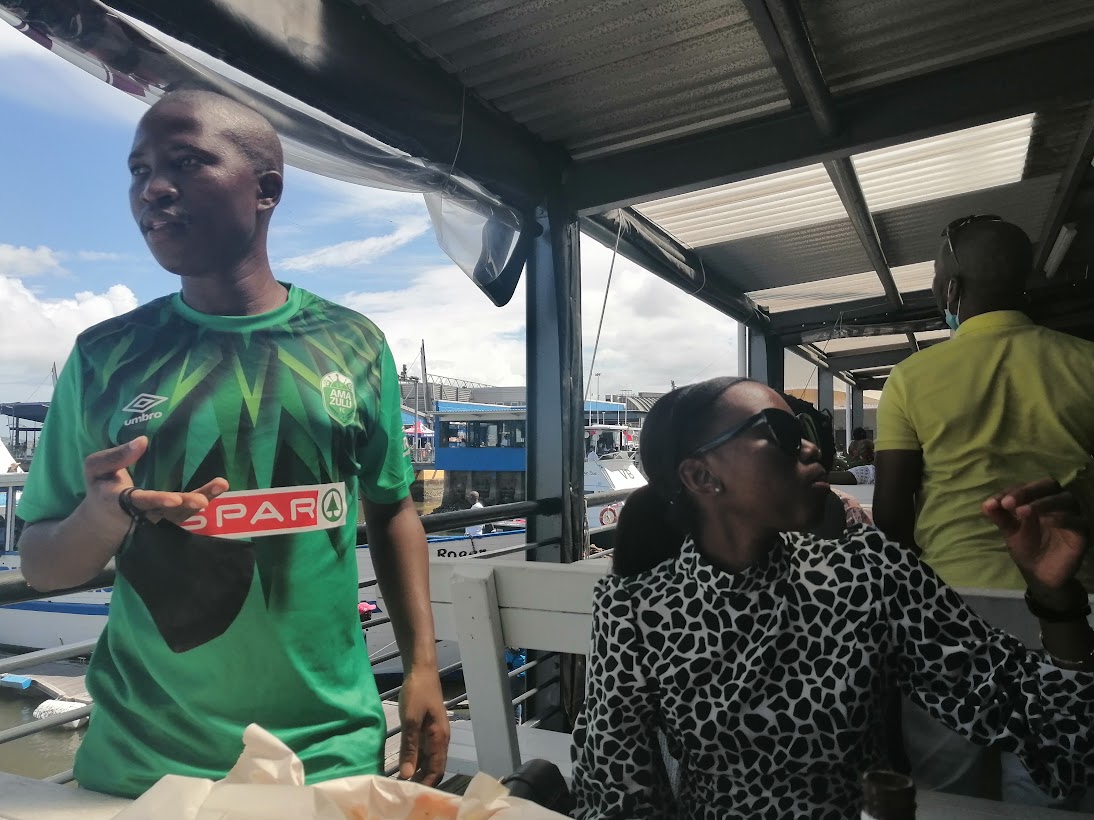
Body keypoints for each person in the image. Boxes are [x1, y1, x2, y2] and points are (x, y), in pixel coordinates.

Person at [15, 89, 448, 797]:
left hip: (327, 750)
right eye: (139, 170)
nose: (153, 188)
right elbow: (41, 566)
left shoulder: (354, 342)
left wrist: (422, 667)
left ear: (266, 189)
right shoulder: (104, 356)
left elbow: (392, 508)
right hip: (140, 761)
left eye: (186, 162)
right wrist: (103, 515)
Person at [571, 376, 1094, 819]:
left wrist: (1057, 597)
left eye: (803, 429)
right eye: (780, 433)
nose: (810, 448)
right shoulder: (635, 612)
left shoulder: (866, 571)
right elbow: (616, 795)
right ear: (702, 476)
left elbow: (1046, 724)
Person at [873, 215, 1094, 806]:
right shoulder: (1087, 362)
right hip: (1069, 601)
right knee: (1052, 781)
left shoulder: (911, 378)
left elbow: (891, 515)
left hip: (952, 604)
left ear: (951, 289)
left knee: (949, 785)